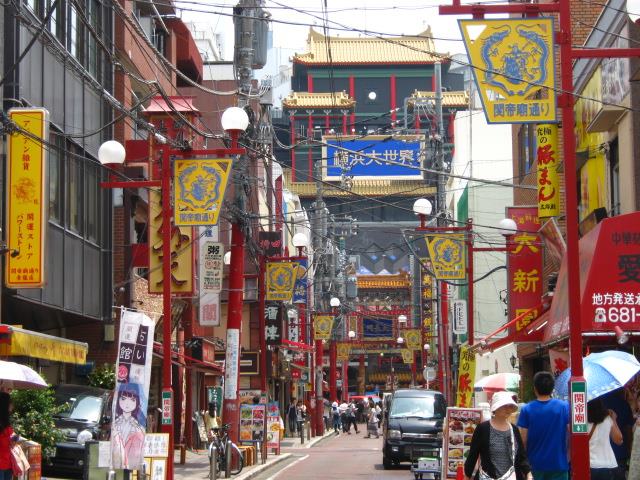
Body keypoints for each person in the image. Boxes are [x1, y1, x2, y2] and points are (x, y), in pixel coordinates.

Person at [464, 391, 531, 480]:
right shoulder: (483, 429)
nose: (508, 409)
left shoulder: (514, 430)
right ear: (496, 407)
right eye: (504, 405)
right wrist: (467, 476)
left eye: (510, 406)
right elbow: (472, 456)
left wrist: (528, 473)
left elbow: (521, 456)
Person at [517, 371, 570, 480]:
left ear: (535, 388)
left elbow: (523, 440)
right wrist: (568, 456)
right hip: (559, 464)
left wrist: (523, 465)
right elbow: (571, 434)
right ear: (552, 388)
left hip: (534, 465)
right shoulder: (564, 407)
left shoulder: (527, 409)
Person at [111, 383, 146, 470]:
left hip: (132, 463)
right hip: (117, 462)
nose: (127, 403)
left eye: (132, 400)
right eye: (123, 398)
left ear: (137, 402)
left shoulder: (138, 427)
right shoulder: (115, 423)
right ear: (118, 400)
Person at [587, 397, 623, 480]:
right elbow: (619, 440)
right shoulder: (607, 419)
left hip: (589, 465)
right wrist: (613, 419)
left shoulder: (581, 421)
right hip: (607, 464)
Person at [601, 389, 633, 480]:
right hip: (619, 451)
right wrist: (629, 447)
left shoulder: (600, 404)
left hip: (602, 453)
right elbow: (628, 428)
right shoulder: (624, 404)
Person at [0, 393, 14, 480]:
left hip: (8, 463)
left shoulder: (7, 422)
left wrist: (13, 441)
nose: (12, 406)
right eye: (10, 403)